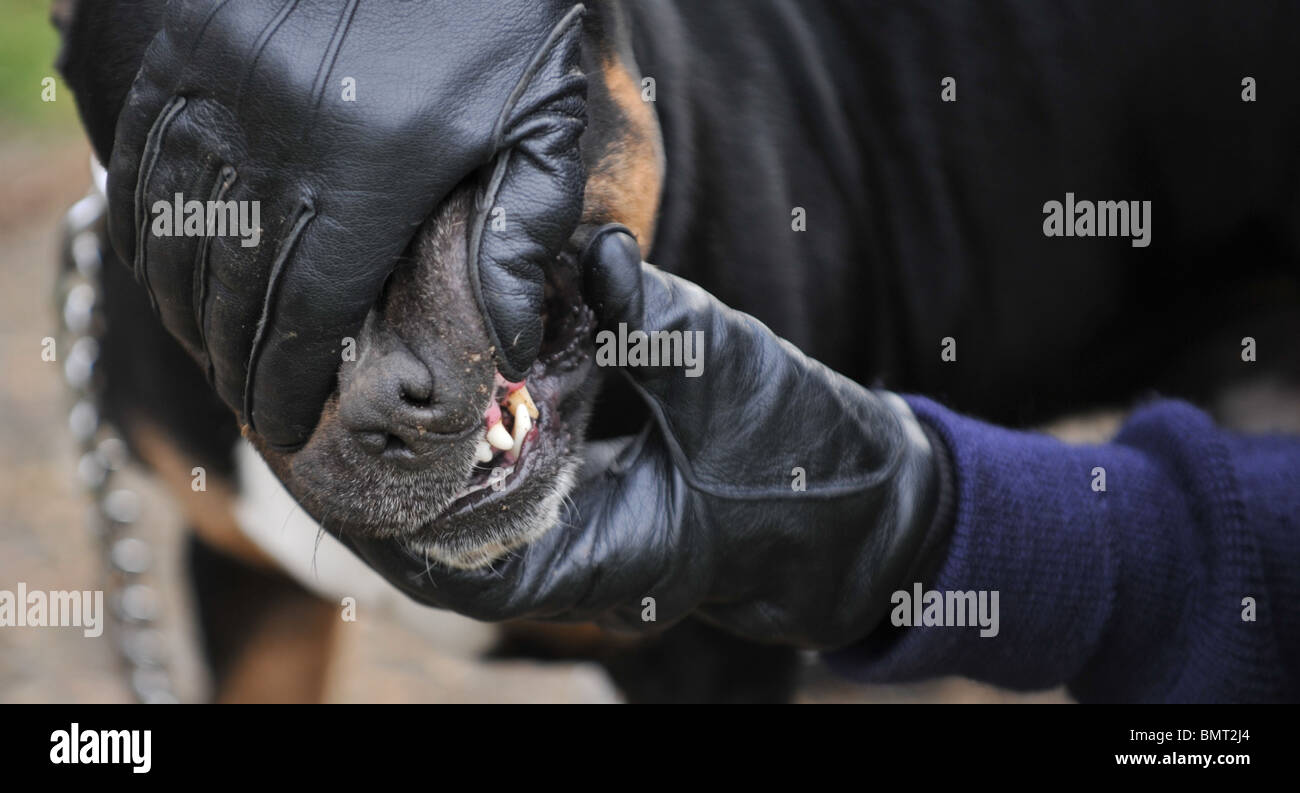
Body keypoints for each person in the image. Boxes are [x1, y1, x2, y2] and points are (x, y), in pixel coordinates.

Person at [105, 1, 1299, 702]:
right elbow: (250, 572)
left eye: (478, 183)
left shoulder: (726, 297)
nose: (395, 373)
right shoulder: (159, 360)